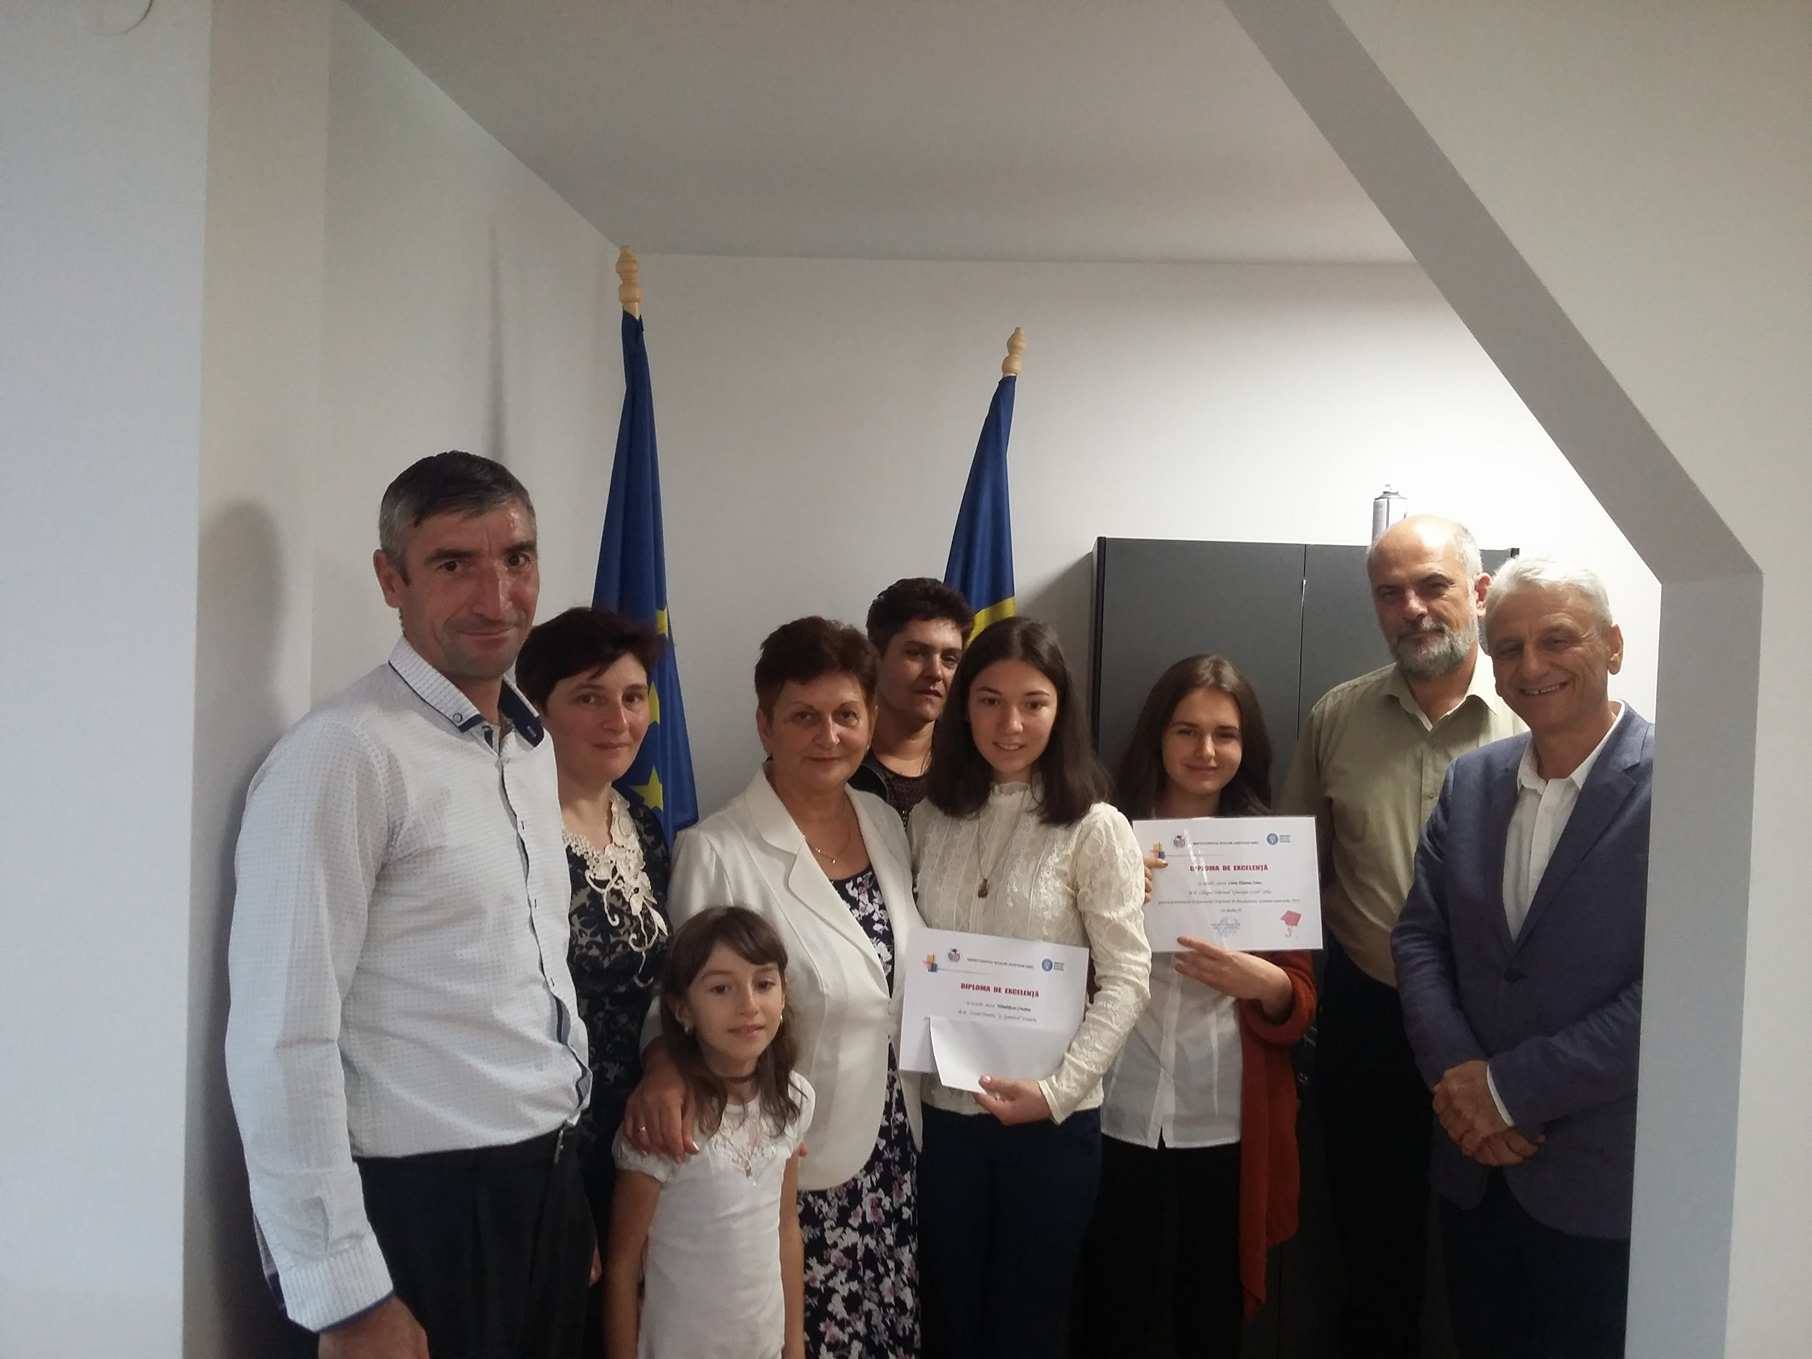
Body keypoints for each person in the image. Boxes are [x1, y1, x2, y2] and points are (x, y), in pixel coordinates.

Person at [225, 451, 595, 1359]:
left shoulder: (530, 747)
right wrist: (348, 1298)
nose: (496, 595)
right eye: (453, 562)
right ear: (392, 579)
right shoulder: (343, 754)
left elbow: (530, 979)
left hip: (542, 1190)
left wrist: (565, 1201)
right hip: (417, 1215)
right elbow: (281, 1036)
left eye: (516, 558)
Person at [626, 616, 924, 1356]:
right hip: (790, 1166)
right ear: (765, 724)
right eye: (803, 716)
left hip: (895, 1149)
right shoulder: (716, 849)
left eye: (847, 714)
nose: (829, 735)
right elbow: (679, 1004)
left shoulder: (885, 822)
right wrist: (662, 1068)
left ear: (872, 718)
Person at [1392, 559, 1650, 1359]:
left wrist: (1509, 1089)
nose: (1531, 664)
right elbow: (1420, 937)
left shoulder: (1685, 788)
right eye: (1508, 647)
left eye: (1557, 639)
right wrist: (1465, 1086)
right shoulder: (1471, 781)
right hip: (1475, 1169)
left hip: (1600, 1181)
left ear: (1613, 645)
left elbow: (1679, 991)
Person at [1278, 514, 1522, 1357]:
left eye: (1432, 585)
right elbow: (1291, 873)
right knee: (1368, 1244)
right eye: (1391, 593)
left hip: (1503, 1026)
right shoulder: (1336, 717)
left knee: (1495, 1242)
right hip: (1369, 1016)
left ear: (1479, 592)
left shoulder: (1533, 717)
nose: (1412, 607)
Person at [911, 616, 1151, 1359]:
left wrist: (1056, 1091)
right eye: (989, 700)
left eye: (1033, 702)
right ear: (964, 707)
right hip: (946, 1117)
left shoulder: (1097, 827)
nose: (1009, 724)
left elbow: (1127, 978)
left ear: (1061, 710)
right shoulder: (927, 819)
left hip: (1050, 1123)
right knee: (948, 1318)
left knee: (1028, 1325)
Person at [1077, 655, 1317, 1356]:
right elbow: (1061, 975)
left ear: (1247, 746)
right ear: (1158, 735)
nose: (1205, 750)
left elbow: (1300, 1000)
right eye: (1186, 730)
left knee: (1210, 1315)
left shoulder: (1273, 848)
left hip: (1226, 1117)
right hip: (1118, 1105)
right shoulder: (1104, 834)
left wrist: (1263, 982)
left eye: (1225, 734)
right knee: (1116, 1311)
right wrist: (1117, 902)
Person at [514, 606, 672, 1352]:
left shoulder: (643, 823)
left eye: (634, 696)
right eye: (590, 697)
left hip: (641, 1136)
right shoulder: (516, 831)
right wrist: (559, 1188)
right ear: (539, 709)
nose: (619, 718)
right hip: (550, 1150)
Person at [606, 907, 813, 1359]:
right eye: (721, 988)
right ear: (681, 1008)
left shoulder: (793, 1099)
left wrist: (793, 1345)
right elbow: (622, 1266)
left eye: (764, 983)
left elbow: (785, 1227)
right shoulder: (666, 1120)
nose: (748, 1005)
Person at [850, 576, 973, 821]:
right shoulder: (833, 755)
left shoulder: (973, 765)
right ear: (874, 659)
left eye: (949, 659)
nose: (936, 672)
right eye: (916, 653)